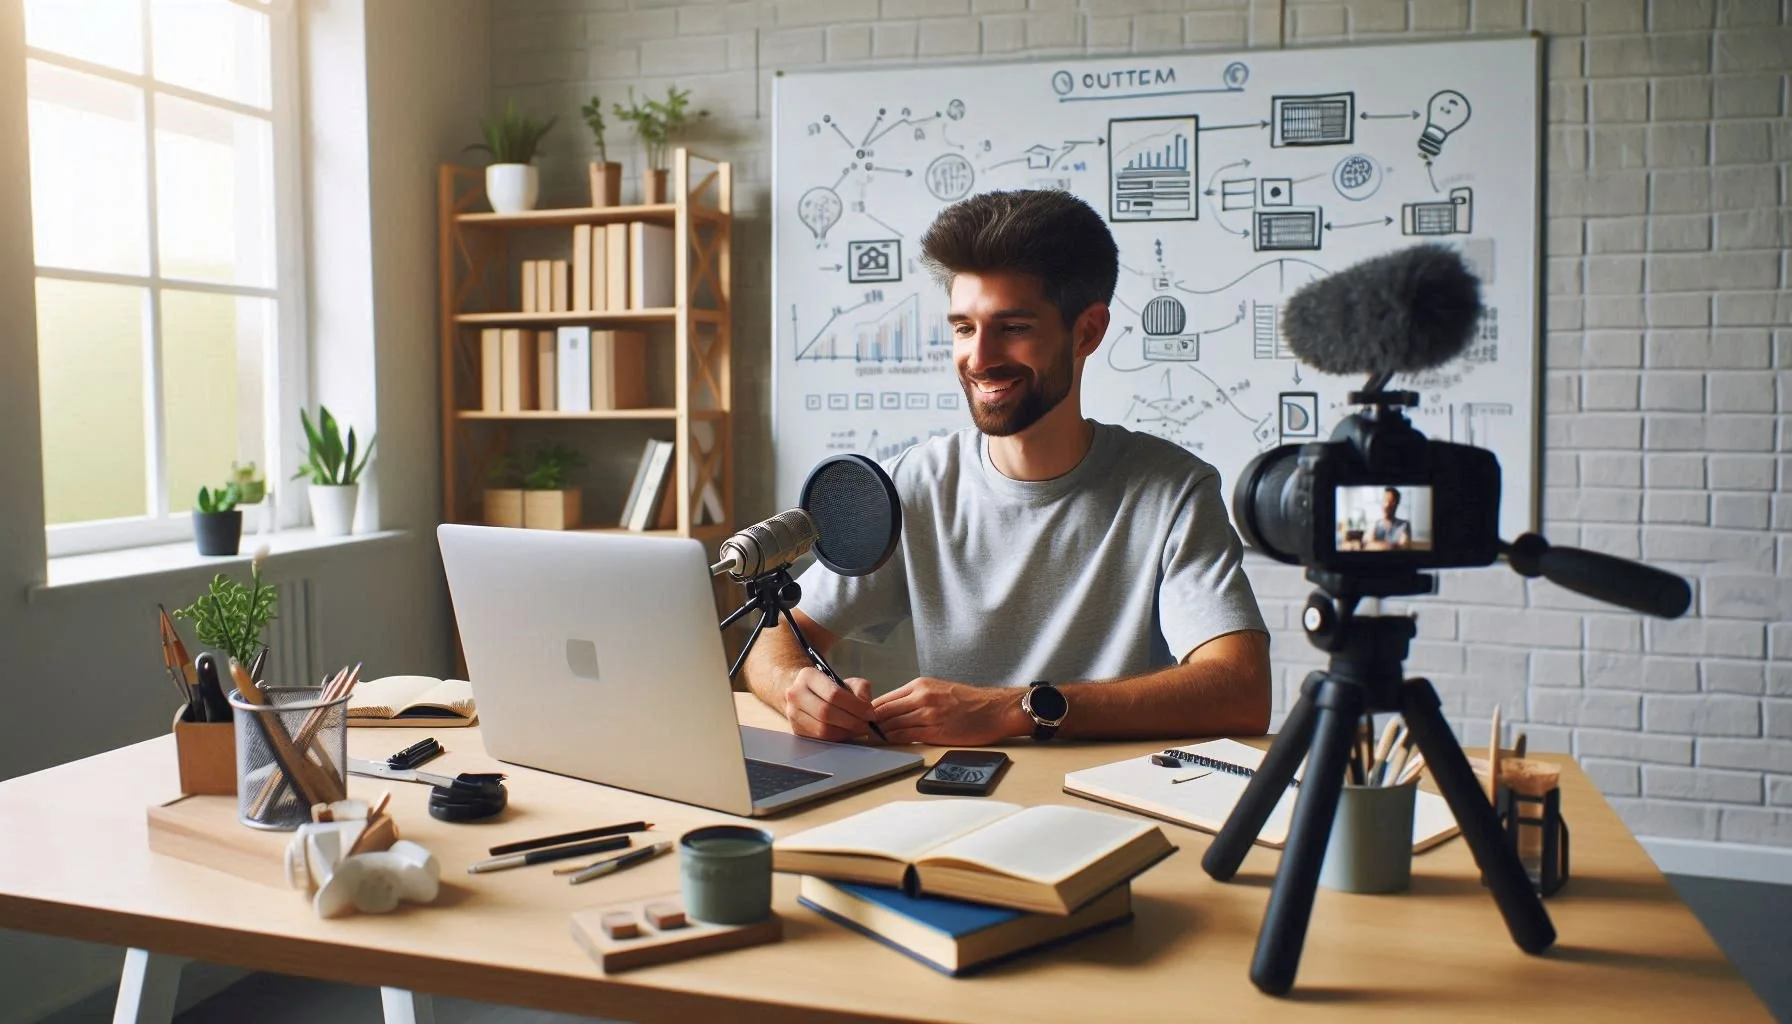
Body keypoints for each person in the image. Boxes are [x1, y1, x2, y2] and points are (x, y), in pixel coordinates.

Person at [741, 190, 1271, 746]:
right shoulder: (912, 486)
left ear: (1086, 332)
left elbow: (1240, 689)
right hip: (953, 808)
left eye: (1012, 328)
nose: (978, 357)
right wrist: (794, 687)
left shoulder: (1175, 491)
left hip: (1114, 801)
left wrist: (1018, 710)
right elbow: (775, 636)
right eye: (964, 327)